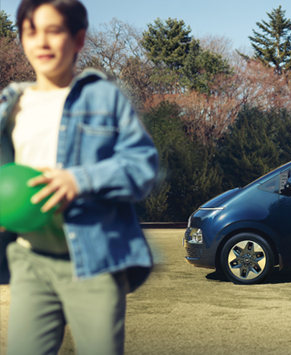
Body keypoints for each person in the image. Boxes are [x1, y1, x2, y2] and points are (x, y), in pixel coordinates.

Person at [0, 0, 158, 354]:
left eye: (53, 31)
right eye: (31, 32)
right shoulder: (9, 106)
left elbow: (142, 165)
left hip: (94, 260)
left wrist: (79, 180)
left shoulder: (105, 98)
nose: (41, 42)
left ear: (79, 38)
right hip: (29, 258)